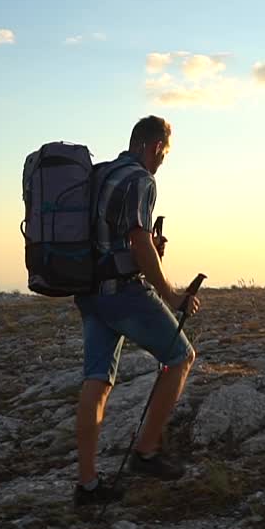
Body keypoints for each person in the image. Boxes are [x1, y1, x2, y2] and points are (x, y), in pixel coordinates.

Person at [72, 115, 201, 507]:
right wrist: (171, 294)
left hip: (89, 293)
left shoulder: (99, 175)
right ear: (154, 146)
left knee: (97, 380)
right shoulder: (141, 179)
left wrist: (141, 253)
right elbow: (139, 242)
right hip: (122, 294)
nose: (163, 162)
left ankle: (88, 484)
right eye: (165, 153)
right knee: (180, 357)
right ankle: (146, 451)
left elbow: (112, 240)